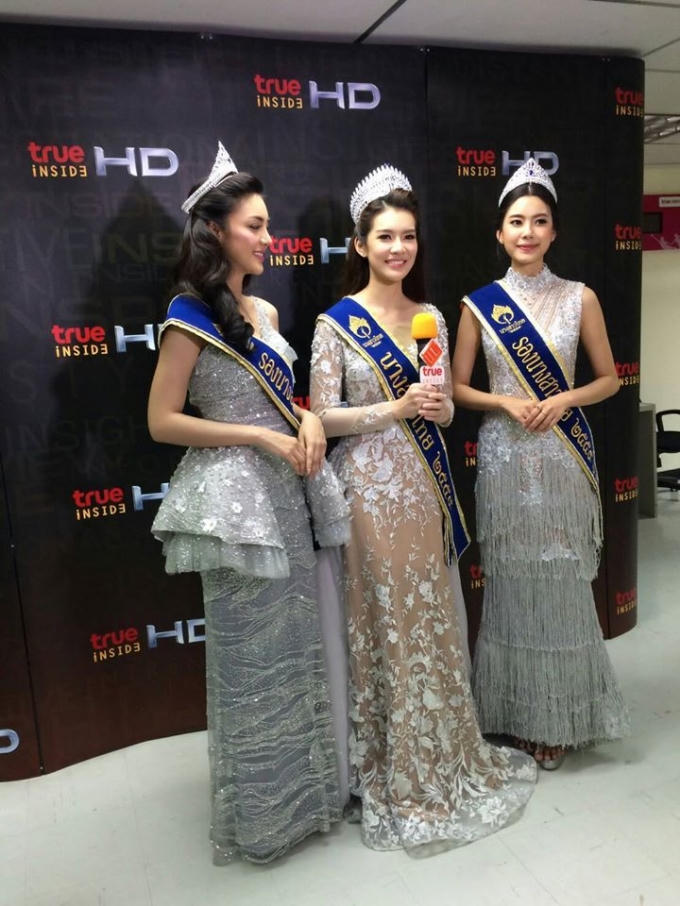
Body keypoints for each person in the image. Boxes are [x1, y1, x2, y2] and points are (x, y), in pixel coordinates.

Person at [309, 164, 536, 854]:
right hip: (368, 494)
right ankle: (392, 764)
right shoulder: (335, 324)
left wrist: (434, 411)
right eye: (385, 236)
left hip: (423, 485)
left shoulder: (428, 317)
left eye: (408, 236)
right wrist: (395, 407)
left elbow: (439, 410)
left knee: (431, 617)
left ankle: (443, 748)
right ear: (360, 244)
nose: (398, 248)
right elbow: (321, 417)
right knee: (386, 624)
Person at [147, 142, 350, 864]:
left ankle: (308, 800)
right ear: (217, 231)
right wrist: (259, 437)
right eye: (255, 225)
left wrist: (308, 421)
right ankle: (262, 819)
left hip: (287, 497)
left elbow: (283, 404)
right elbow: (162, 421)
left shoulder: (262, 308)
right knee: (250, 661)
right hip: (237, 508)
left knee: (294, 651)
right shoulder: (187, 315)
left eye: (268, 225)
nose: (269, 238)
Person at [452, 158, 630, 770]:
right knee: (512, 583)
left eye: (539, 221)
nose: (527, 232)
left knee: (559, 582)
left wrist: (565, 399)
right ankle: (513, 710)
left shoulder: (580, 297)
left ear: (554, 232)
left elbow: (609, 379)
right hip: (505, 460)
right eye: (516, 221)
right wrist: (503, 400)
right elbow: (457, 388)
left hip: (560, 456)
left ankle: (561, 715)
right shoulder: (479, 305)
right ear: (499, 232)